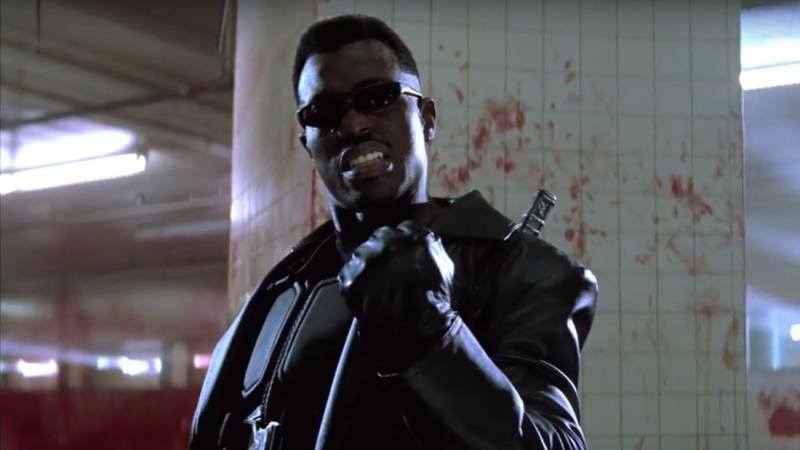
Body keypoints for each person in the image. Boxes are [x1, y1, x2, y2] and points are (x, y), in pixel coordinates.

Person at [190, 14, 598, 450]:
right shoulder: (285, 285)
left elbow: (555, 442)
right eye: (324, 112)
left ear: (426, 118)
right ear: (308, 142)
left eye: (378, 98)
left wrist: (432, 337)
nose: (353, 126)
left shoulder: (526, 273)